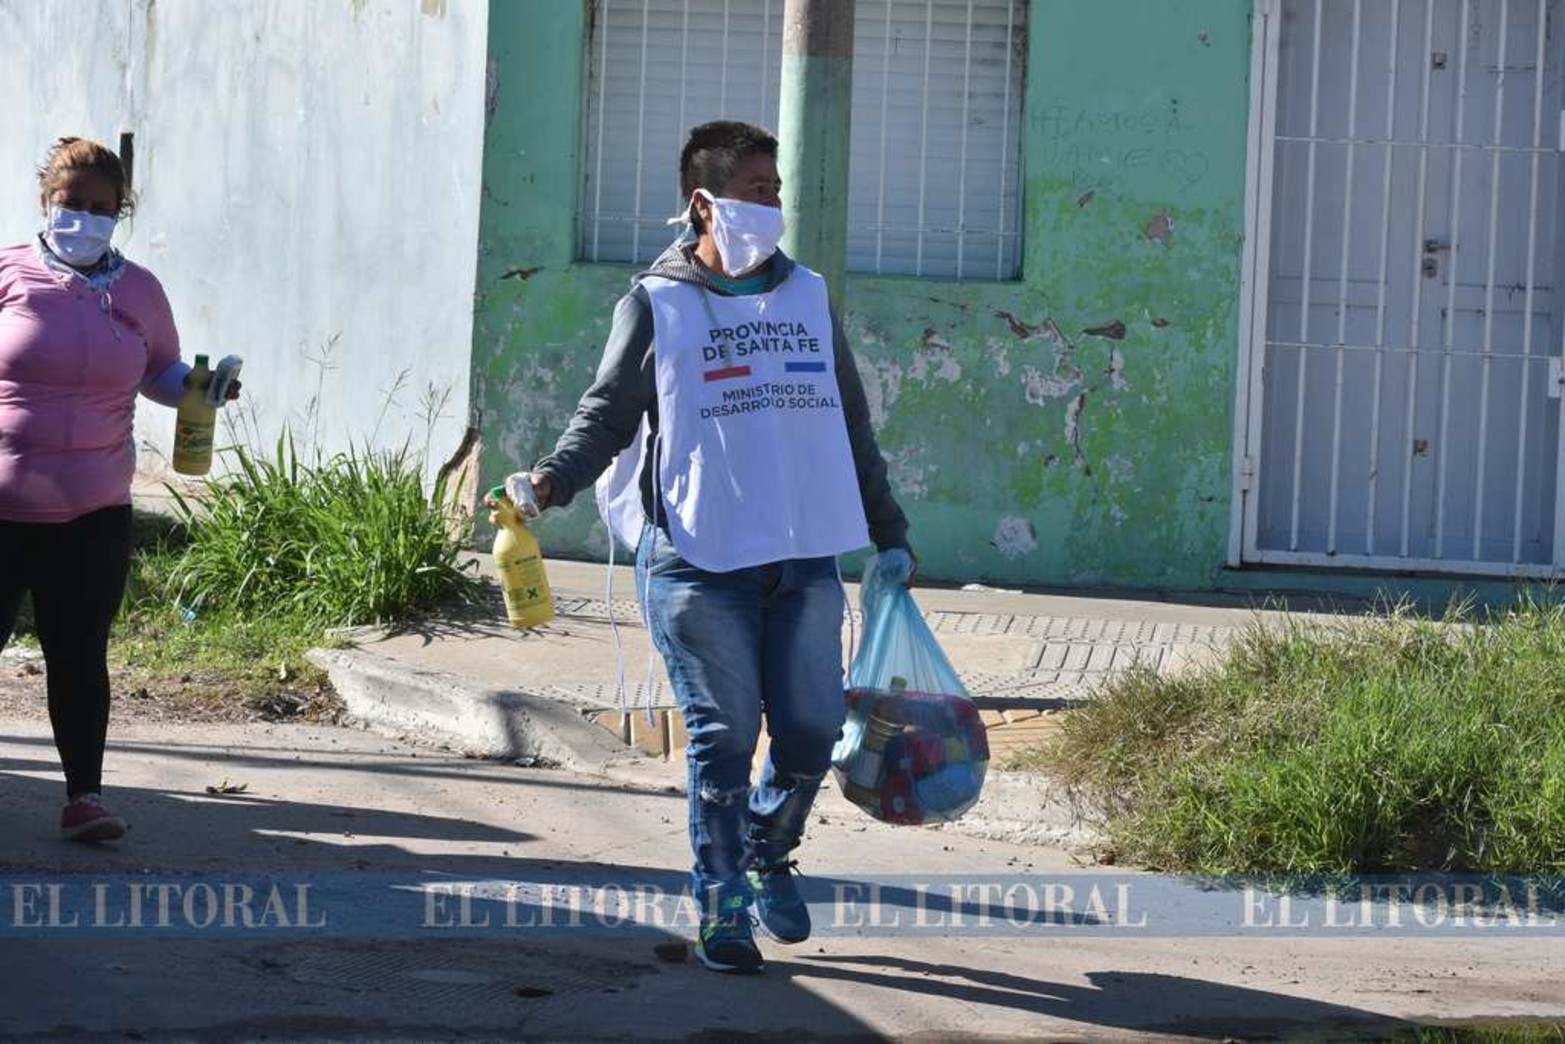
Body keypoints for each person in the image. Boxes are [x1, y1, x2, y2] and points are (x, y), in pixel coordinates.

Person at [507, 121, 914, 974]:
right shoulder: (656, 302)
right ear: (705, 202)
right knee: (723, 737)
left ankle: (769, 848)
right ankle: (721, 898)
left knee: (807, 733)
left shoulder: (805, 295)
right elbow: (607, 415)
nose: (772, 207)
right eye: (757, 191)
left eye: (776, 192)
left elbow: (849, 419)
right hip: (696, 561)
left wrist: (889, 533)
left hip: (801, 558)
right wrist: (551, 481)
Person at [0, 137, 238, 842]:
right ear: (46, 201)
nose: (83, 217)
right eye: (70, 203)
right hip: (2, 508)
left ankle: (84, 798)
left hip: (93, 512)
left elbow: (161, 371)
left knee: (78, 652)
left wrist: (203, 390)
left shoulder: (139, 292)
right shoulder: (8, 273)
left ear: (120, 212)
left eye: (100, 207)